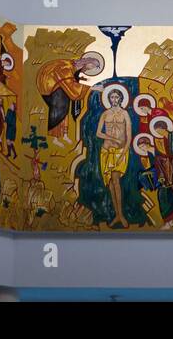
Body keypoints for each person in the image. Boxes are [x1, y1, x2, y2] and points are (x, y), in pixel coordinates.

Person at [37, 52, 104, 141]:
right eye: (91, 67)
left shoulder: (73, 66)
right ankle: (55, 138)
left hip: (58, 85)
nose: (89, 70)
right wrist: (92, 88)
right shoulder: (66, 67)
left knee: (65, 107)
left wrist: (80, 79)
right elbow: (69, 82)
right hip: (50, 86)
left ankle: (64, 135)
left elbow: (71, 79)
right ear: (87, 63)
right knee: (60, 108)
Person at [95, 87, 132, 228]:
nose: (114, 100)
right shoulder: (105, 114)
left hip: (120, 152)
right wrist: (112, 138)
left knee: (116, 181)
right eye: (112, 97)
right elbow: (98, 133)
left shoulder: (125, 114)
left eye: (117, 97)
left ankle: (120, 215)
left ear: (121, 99)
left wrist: (122, 154)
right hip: (106, 150)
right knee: (110, 183)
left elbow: (129, 137)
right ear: (109, 99)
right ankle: (117, 214)